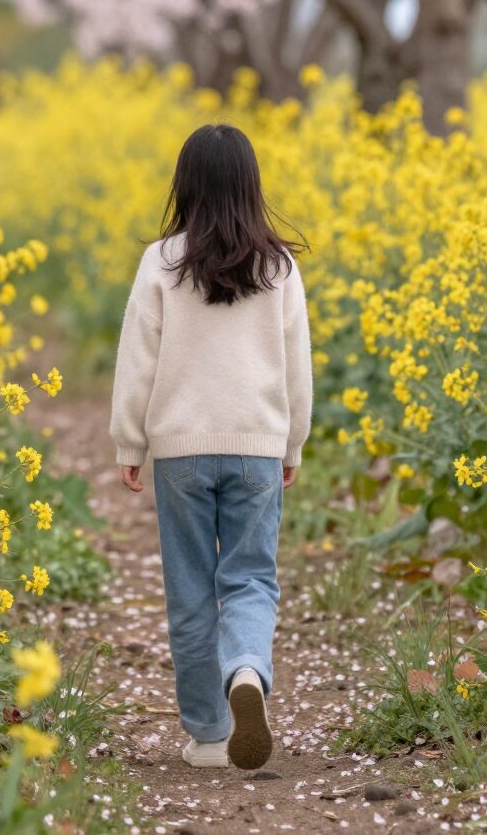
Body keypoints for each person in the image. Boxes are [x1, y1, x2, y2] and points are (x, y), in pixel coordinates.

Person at [109, 123, 312, 772]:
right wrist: (293, 442)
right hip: (256, 444)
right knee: (251, 577)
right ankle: (248, 672)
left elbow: (138, 359)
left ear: (185, 186)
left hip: (181, 450)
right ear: (251, 187)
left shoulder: (162, 262)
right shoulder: (278, 265)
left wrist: (129, 441)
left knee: (191, 590)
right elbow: (296, 366)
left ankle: (206, 735)